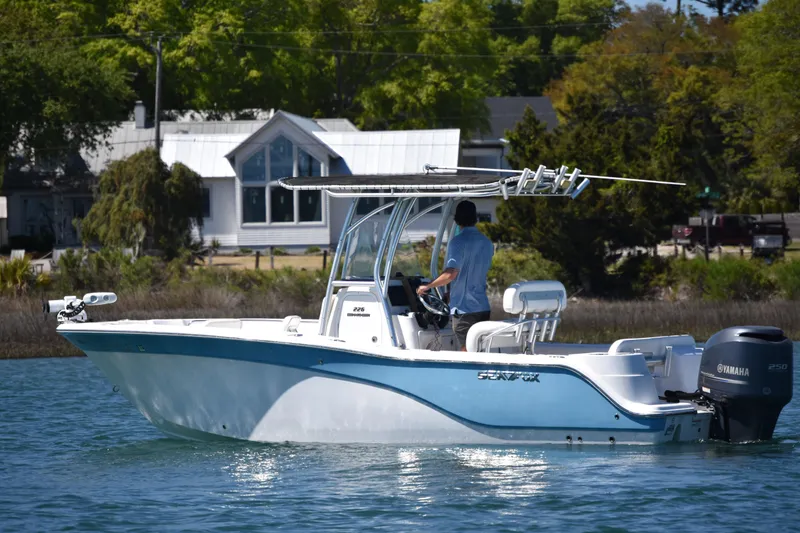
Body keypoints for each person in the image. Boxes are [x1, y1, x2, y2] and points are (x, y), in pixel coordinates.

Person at [417, 200, 494, 351]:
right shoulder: (487, 243)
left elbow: (451, 273)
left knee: (467, 353)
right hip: (483, 308)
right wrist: (452, 292)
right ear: (475, 218)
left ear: (456, 219)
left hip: (465, 311)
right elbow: (473, 274)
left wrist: (427, 286)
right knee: (479, 351)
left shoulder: (458, 242)